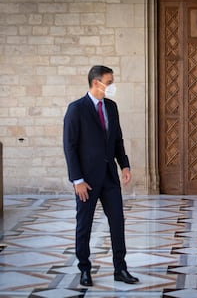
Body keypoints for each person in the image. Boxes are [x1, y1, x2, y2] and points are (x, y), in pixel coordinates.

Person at [63, 65, 139, 286]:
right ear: (96, 82)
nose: (112, 86)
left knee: (117, 222)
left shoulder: (112, 107)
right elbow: (70, 147)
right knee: (84, 225)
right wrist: (77, 180)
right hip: (85, 181)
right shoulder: (76, 109)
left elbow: (117, 140)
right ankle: (84, 269)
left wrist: (124, 165)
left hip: (109, 178)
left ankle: (120, 269)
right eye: (110, 82)